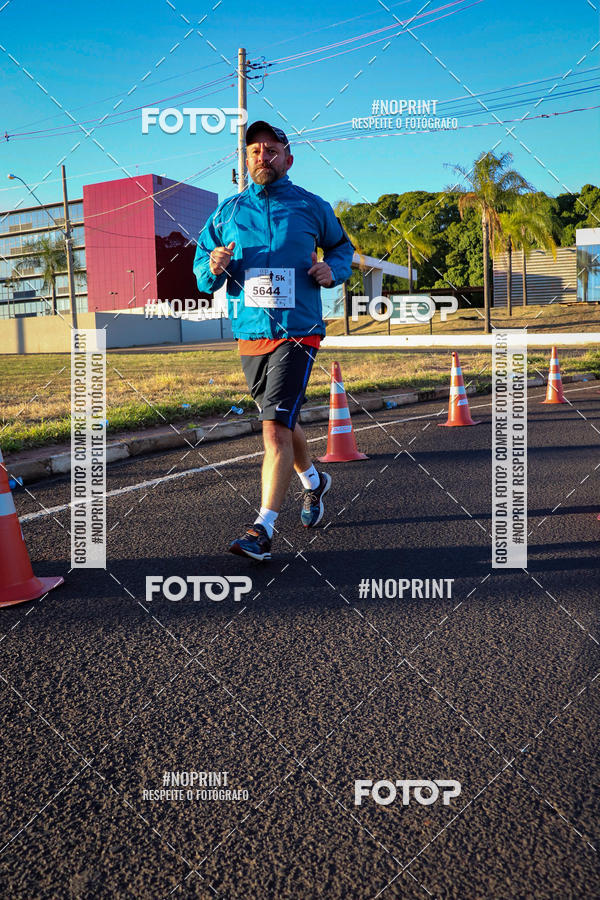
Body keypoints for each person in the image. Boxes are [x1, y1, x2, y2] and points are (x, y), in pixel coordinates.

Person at [193, 120, 354, 561]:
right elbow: (200, 273)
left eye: (270, 149)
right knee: (283, 419)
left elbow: (343, 249)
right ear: (245, 160)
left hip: (298, 330)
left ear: (288, 157)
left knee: (273, 428)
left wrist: (332, 270)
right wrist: (214, 265)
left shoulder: (310, 206)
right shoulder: (227, 213)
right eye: (253, 151)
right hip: (250, 334)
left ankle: (262, 529)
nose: (261, 156)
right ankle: (314, 482)